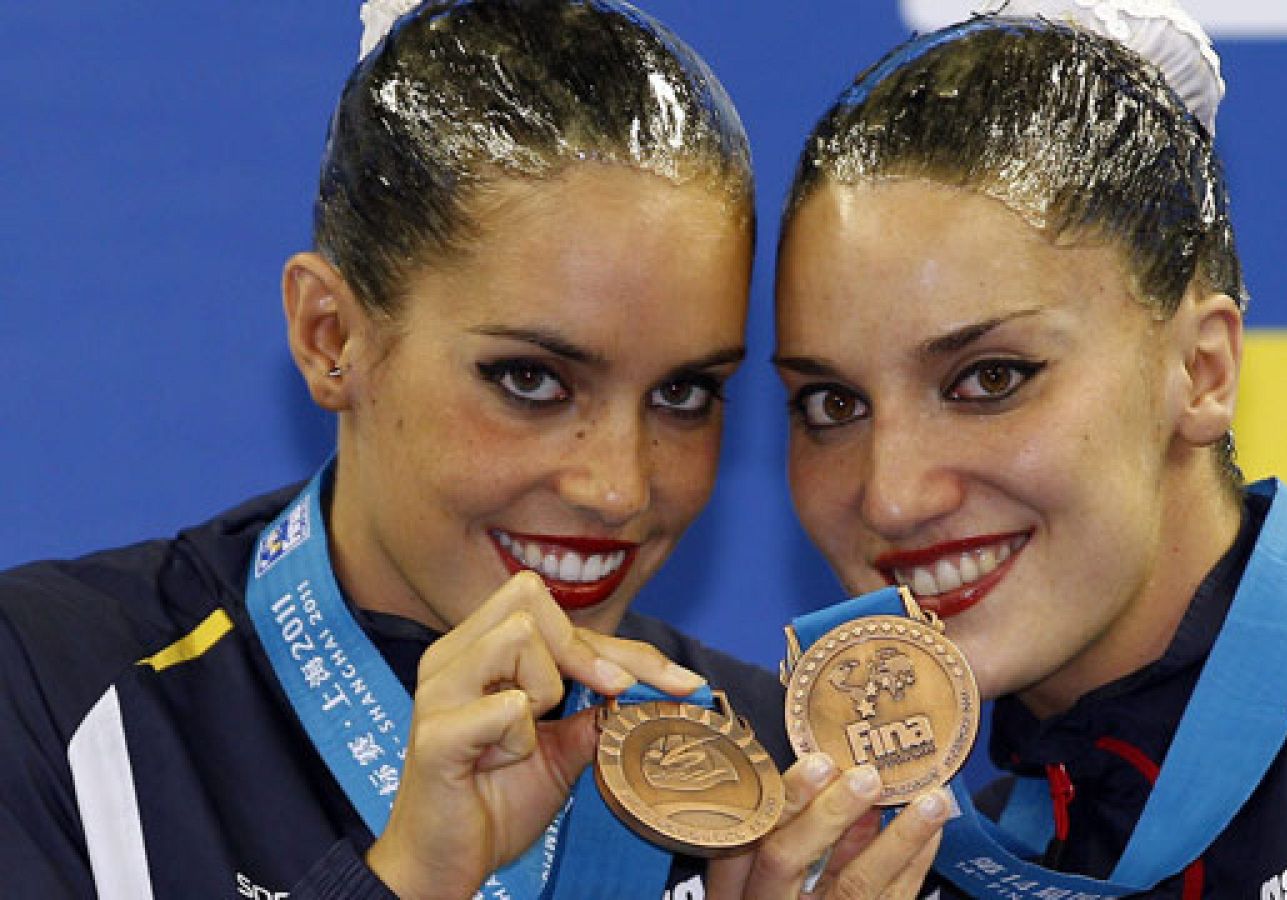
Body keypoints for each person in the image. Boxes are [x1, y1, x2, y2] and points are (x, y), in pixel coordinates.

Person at [0, 1, 950, 897]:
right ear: (331, 337)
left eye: (682, 393)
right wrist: (404, 879)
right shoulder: (51, 690)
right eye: (531, 380)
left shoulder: (780, 783)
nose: (617, 488)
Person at [773, 3, 1287, 897]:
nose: (891, 496)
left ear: (1202, 371)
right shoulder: (916, 873)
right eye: (832, 402)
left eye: (991, 379)